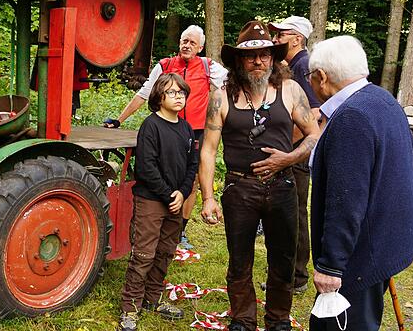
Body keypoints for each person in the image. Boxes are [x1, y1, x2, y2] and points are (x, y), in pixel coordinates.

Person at [199, 20, 321, 331]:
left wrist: (289, 158)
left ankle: (278, 320)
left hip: (282, 187)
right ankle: (243, 320)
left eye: (265, 55)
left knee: (282, 260)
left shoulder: (291, 90)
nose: (258, 62)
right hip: (239, 189)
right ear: (239, 60)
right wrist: (209, 197)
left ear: (273, 58)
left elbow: (313, 134)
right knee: (239, 261)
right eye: (251, 56)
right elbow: (209, 150)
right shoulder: (222, 96)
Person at [306, 35, 413, 330]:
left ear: (321, 77)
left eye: (311, 77)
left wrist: (331, 265)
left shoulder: (351, 116)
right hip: (382, 241)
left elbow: (346, 199)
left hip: (358, 257)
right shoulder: (382, 98)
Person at [105, 25, 227, 250]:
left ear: (200, 47)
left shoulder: (210, 67)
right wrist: (119, 120)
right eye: (183, 40)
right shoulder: (165, 65)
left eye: (191, 42)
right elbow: (144, 93)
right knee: (161, 174)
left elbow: (229, 89)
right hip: (165, 129)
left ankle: (179, 231)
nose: (186, 45)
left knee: (191, 181)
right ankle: (156, 221)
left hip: (195, 131)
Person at [117, 73, 198, 331]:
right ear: (159, 97)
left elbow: (192, 165)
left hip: (175, 201)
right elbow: (146, 168)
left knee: (165, 252)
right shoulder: (151, 126)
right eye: (172, 92)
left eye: (182, 92)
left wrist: (182, 193)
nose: (178, 97)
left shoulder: (185, 128)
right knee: (144, 254)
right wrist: (167, 194)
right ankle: (130, 307)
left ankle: (153, 298)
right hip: (152, 200)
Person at [269, 16, 321, 295]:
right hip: (294, 153)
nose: (275, 40)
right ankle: (290, 272)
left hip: (297, 155)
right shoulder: (295, 64)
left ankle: (297, 276)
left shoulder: (303, 65)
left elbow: (313, 114)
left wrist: (288, 150)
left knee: (295, 213)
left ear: (297, 39)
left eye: (280, 35)